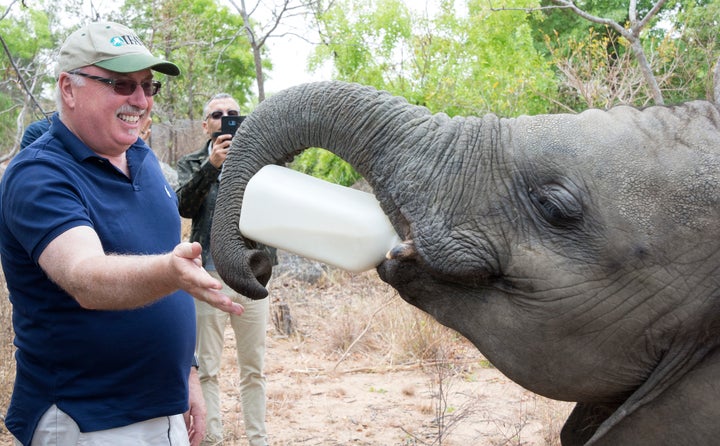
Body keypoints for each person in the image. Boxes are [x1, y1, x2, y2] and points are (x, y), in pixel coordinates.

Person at [0, 22, 244, 446]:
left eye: (148, 87)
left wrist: (187, 372)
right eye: (120, 84)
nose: (140, 100)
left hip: (164, 408)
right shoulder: (40, 174)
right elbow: (85, 277)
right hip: (89, 419)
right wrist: (171, 273)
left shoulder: (142, 158)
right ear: (69, 89)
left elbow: (165, 260)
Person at [176, 94, 273, 446]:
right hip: (209, 278)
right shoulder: (193, 162)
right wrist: (211, 166)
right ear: (206, 125)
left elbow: (276, 207)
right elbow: (184, 206)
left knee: (254, 368)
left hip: (251, 277)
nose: (226, 119)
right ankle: (212, 439)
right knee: (207, 368)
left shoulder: (261, 159)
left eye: (233, 114)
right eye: (217, 115)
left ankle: (257, 439)